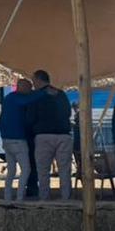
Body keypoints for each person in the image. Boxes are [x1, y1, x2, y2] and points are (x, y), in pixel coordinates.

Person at [27, 70, 74, 200]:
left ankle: (44, 197)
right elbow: (68, 113)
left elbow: (30, 117)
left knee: (43, 170)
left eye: (33, 81)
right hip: (63, 135)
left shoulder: (35, 96)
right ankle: (66, 197)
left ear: (38, 80)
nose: (33, 84)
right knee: (64, 170)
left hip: (43, 135)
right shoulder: (61, 94)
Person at [0, 79, 38, 201]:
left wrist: (3, 135)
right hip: (18, 140)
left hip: (7, 140)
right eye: (29, 88)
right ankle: (20, 196)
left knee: (11, 170)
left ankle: (7, 196)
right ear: (23, 88)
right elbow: (29, 100)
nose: (30, 90)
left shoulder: (8, 99)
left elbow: (1, 121)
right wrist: (43, 92)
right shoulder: (18, 99)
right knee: (26, 169)